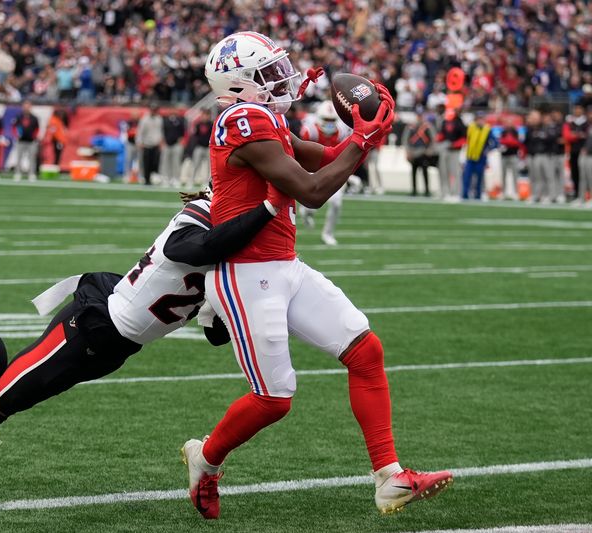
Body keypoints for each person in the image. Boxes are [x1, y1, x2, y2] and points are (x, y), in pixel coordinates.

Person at [181, 32, 451, 520]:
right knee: (274, 399)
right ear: (238, 84)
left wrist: (364, 136)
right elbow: (311, 191)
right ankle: (205, 458)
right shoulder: (242, 118)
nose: (281, 78)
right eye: (266, 73)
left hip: (283, 264)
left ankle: (389, 478)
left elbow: (326, 159)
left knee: (364, 351)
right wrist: (362, 139)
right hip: (245, 274)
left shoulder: (261, 116)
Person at [0, 185, 283, 469]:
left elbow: (215, 334)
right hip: (95, 324)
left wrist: (242, 294)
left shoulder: (232, 240)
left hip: (118, 345)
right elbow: (184, 247)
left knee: (16, 396)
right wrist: (264, 212)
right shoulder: (207, 213)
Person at [298, 100, 354, 245]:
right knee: (309, 200)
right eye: (326, 120)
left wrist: (348, 175)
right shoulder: (310, 129)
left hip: (333, 170)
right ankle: (306, 212)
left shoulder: (342, 131)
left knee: (336, 203)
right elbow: (302, 155)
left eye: (332, 120)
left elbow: (345, 156)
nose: (329, 123)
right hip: (312, 169)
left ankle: (328, 233)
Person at [461, 114, 497, 200]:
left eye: (481, 119)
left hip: (481, 158)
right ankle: (465, 195)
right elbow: (466, 141)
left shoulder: (487, 130)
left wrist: (488, 149)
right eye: (478, 119)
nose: (480, 121)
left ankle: (478, 195)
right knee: (466, 177)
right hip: (470, 157)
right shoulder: (470, 128)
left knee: (479, 178)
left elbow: (495, 143)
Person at [402, 112, 437, 196]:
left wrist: (430, 151)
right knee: (413, 172)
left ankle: (427, 190)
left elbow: (433, 139)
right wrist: (408, 151)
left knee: (425, 172)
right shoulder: (410, 127)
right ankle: (414, 190)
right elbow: (405, 140)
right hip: (413, 153)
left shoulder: (427, 127)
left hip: (423, 152)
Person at [437, 108, 466, 201]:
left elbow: (464, 138)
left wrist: (454, 144)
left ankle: (455, 193)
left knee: (455, 172)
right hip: (445, 149)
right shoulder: (444, 121)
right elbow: (442, 134)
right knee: (443, 172)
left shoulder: (460, 123)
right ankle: (444, 192)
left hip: (455, 151)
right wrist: (438, 139)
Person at [562, 106, 586, 202]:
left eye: (579, 109)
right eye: (576, 109)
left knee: (585, 175)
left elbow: (586, 135)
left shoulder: (586, 123)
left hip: (585, 152)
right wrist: (578, 135)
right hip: (573, 151)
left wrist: (575, 135)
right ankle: (577, 194)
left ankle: (585, 195)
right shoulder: (571, 123)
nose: (577, 111)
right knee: (575, 174)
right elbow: (567, 136)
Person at [13, 100, 40, 181]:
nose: (26, 108)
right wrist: (16, 135)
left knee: (32, 158)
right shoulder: (19, 117)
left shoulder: (34, 118)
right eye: (25, 106)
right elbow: (14, 127)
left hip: (31, 141)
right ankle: (18, 173)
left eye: (28, 106)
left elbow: (37, 129)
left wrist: (34, 136)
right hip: (21, 141)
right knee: (19, 158)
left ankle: (31, 174)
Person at [498, 116, 524, 200]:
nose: (508, 124)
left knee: (515, 175)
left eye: (510, 122)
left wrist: (509, 142)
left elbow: (517, 143)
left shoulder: (515, 131)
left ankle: (516, 192)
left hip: (513, 155)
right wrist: (508, 142)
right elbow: (500, 142)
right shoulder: (503, 131)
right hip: (504, 155)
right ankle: (503, 192)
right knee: (503, 174)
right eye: (507, 122)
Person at [136, 102, 163, 185]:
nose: (154, 111)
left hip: (156, 144)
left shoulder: (159, 119)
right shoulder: (144, 119)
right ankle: (146, 179)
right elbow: (140, 131)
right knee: (146, 163)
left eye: (155, 110)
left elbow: (160, 131)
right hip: (147, 144)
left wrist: (161, 141)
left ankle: (154, 177)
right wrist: (140, 142)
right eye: (153, 110)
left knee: (155, 163)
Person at [161, 108, 186, 186]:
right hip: (167, 144)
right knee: (166, 162)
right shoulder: (165, 121)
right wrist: (163, 141)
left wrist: (181, 139)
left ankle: (176, 178)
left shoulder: (180, 120)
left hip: (176, 144)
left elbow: (183, 131)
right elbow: (163, 131)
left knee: (176, 162)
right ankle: (166, 178)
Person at [578, 110, 592, 207]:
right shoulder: (586, 125)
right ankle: (581, 198)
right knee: (583, 177)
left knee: (591, 178)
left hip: (591, 155)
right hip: (584, 154)